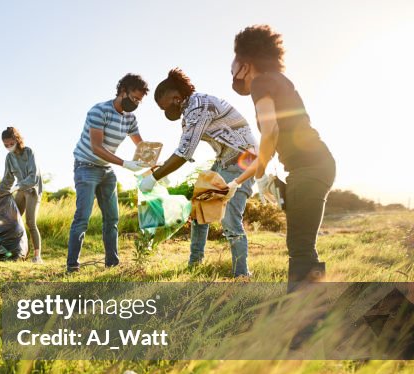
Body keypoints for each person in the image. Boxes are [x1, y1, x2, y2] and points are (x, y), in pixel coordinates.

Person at [228, 25, 337, 289]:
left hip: (309, 168)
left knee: (300, 248)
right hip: (314, 165)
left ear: (246, 63)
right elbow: (269, 143)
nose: (231, 73)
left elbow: (270, 131)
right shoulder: (277, 79)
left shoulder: (261, 81)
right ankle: (310, 316)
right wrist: (236, 183)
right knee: (302, 245)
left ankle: (306, 323)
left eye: (232, 67)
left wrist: (260, 173)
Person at [139, 68, 257, 277]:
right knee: (199, 212)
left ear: (175, 98)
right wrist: (160, 169)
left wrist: (153, 178)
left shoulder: (199, 107)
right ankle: (195, 265)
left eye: (163, 107)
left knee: (230, 220)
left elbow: (184, 153)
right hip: (224, 162)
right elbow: (182, 147)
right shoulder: (191, 110)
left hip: (243, 162)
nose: (164, 112)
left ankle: (242, 275)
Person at [66, 73, 151, 273]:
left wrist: (154, 163)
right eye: (134, 98)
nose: (136, 103)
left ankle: (112, 264)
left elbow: (141, 144)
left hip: (106, 170)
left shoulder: (130, 118)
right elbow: (96, 147)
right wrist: (125, 163)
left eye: (140, 100)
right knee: (83, 218)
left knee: (112, 218)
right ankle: (72, 267)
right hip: (86, 166)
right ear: (123, 91)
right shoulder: (99, 110)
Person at [0, 127, 44, 264]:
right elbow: (7, 179)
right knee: (11, 221)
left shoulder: (28, 152)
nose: (8, 147)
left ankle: (37, 256)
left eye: (11, 143)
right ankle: (15, 254)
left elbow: (33, 176)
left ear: (17, 140)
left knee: (30, 222)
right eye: (5, 145)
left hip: (33, 190)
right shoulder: (9, 157)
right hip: (20, 191)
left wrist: (18, 186)